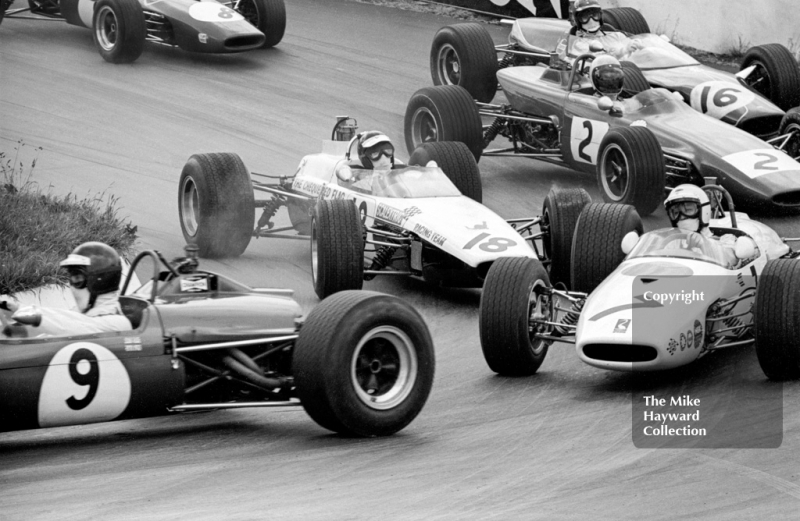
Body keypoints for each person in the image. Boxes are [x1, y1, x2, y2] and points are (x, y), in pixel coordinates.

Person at [1, 242, 133, 336]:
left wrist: (26, 312)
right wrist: (12, 327)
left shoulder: (117, 324)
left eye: (77, 279)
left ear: (100, 281)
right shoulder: (84, 314)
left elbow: (75, 327)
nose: (72, 288)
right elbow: (63, 322)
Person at [663, 185, 752, 268]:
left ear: (703, 211)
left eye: (688, 210)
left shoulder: (725, 239)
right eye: (675, 213)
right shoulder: (673, 244)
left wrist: (704, 244)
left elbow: (731, 261)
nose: (681, 217)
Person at [556, 0, 643, 63]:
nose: (591, 21)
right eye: (585, 17)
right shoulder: (576, 43)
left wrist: (637, 45)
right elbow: (597, 60)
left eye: (595, 15)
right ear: (578, 21)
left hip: (630, 76)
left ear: (600, 17)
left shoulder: (618, 36)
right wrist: (623, 51)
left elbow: (637, 53)